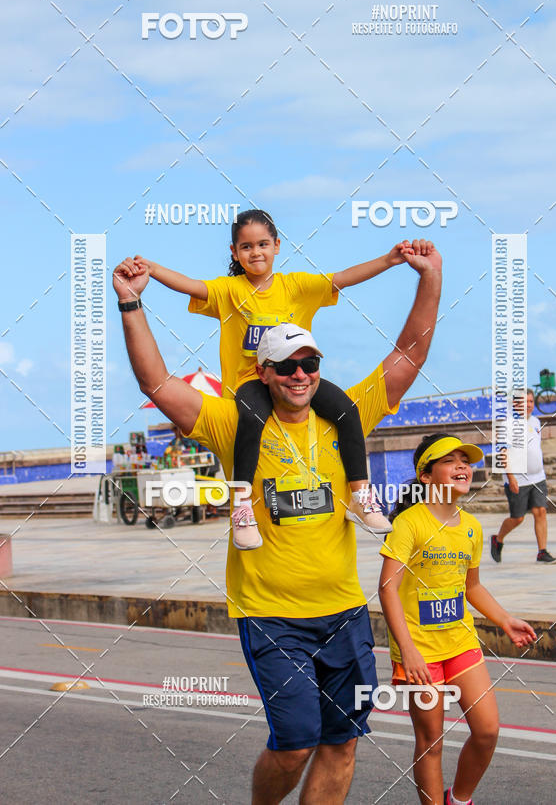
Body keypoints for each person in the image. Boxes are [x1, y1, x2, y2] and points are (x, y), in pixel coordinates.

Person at [113, 240, 442, 805]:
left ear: (319, 367)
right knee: (294, 743)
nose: (299, 375)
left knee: (343, 741)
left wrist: (428, 278)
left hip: (342, 613)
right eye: (286, 367)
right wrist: (131, 306)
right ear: (263, 373)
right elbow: (159, 386)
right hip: (271, 616)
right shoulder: (230, 421)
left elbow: (408, 357)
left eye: (309, 364)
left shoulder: (347, 416)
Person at [134, 209, 430, 548]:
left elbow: (343, 278)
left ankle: (360, 497)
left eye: (262, 244)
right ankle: (242, 505)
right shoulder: (228, 290)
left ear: (276, 246)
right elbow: (191, 285)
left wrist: (390, 260)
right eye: (246, 247)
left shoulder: (297, 286)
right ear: (234, 253)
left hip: (297, 378)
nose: (255, 252)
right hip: (252, 384)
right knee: (251, 417)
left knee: (347, 410)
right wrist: (153, 270)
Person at [379, 433, 536, 805]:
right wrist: (408, 652)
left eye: (465, 460)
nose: (462, 466)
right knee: (430, 742)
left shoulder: (472, 527)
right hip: (419, 649)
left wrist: (504, 620)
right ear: (427, 476)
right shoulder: (408, 524)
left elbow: (473, 587)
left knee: (487, 730)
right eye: (449, 460)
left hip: (461, 642)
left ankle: (459, 799)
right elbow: (387, 588)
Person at [491, 388, 556, 564]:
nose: (528, 405)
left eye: (530, 401)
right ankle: (497, 539)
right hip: (517, 480)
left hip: (538, 477)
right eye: (524, 402)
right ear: (515, 404)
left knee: (540, 511)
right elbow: (503, 453)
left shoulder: (536, 422)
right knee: (517, 518)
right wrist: (511, 477)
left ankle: (542, 552)